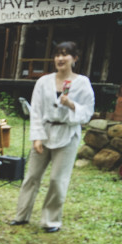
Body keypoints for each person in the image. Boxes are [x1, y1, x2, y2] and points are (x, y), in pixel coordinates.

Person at [10, 41, 95, 233]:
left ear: (75, 58)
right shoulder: (43, 82)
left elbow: (88, 112)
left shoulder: (82, 83)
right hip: (45, 132)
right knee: (31, 176)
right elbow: (36, 111)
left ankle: (51, 220)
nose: (60, 58)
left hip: (67, 134)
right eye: (57, 54)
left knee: (58, 179)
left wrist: (72, 104)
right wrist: (37, 137)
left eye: (65, 54)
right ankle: (21, 215)